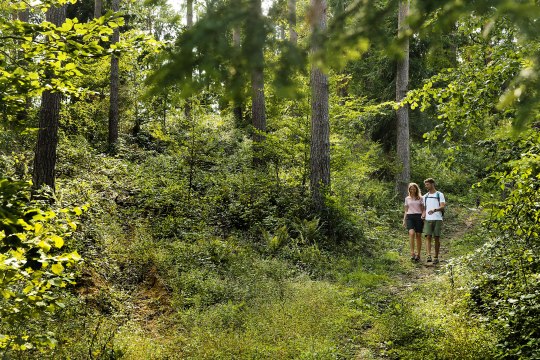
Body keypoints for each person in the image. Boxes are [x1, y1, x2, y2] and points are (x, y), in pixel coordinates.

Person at [422, 178, 446, 264]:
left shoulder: (439, 194)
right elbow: (424, 209)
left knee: (436, 237)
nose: (426, 186)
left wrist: (435, 210)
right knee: (428, 236)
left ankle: (436, 256)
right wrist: (423, 214)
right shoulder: (425, 196)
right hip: (428, 219)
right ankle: (429, 255)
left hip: (438, 218)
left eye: (427, 184)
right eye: (425, 185)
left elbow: (442, 206)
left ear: (432, 184)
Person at [402, 183, 424, 262]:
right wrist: (404, 220)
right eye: (411, 189)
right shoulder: (407, 198)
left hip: (419, 217)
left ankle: (418, 254)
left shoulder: (420, 198)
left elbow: (423, 209)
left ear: (416, 189)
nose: (412, 190)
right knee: (411, 233)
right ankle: (412, 253)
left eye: (414, 189)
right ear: (409, 189)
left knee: (418, 235)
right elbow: (406, 210)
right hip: (410, 217)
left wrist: (424, 218)